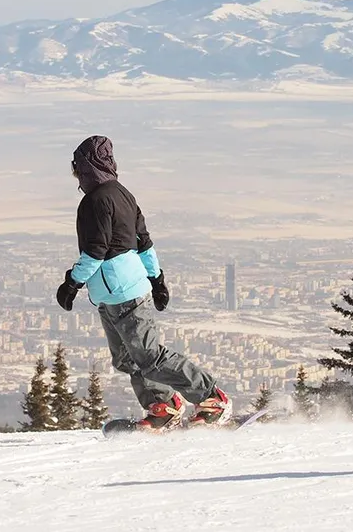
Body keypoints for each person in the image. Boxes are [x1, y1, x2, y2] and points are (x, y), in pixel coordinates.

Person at [56, 135, 232, 431]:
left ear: (85, 169)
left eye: (77, 170)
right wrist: (157, 278)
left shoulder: (94, 202)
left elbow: (96, 250)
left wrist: (72, 282)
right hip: (114, 295)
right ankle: (162, 406)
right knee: (128, 359)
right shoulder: (124, 195)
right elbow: (144, 243)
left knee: (149, 356)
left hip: (123, 293)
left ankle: (211, 397)